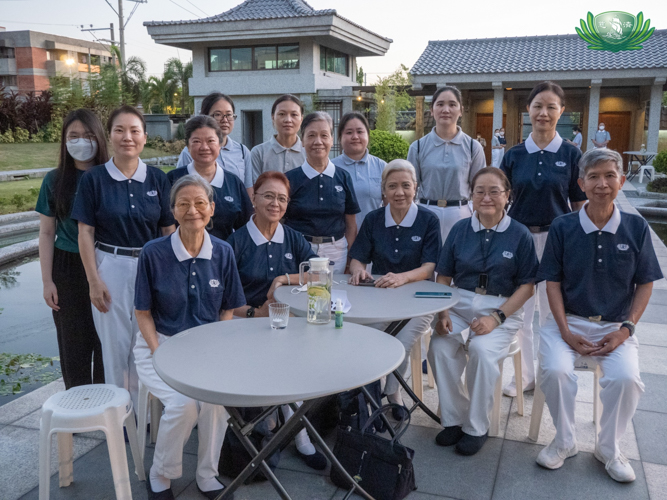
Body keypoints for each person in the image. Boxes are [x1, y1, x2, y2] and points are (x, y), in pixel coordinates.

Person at [535, 148, 662, 482]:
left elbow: (645, 283)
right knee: (555, 370)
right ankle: (564, 441)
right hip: (569, 320)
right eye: (593, 177)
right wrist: (565, 332)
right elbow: (552, 283)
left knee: (626, 379)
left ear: (621, 180)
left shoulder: (636, 226)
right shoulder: (563, 226)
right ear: (581, 183)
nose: (602, 184)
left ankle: (608, 448)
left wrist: (626, 329)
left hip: (616, 325)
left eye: (609, 176)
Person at [134, 175, 245, 499]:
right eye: (183, 203)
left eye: (200, 203)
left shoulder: (223, 252)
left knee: (215, 404)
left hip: (205, 346)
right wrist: (159, 353)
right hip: (159, 343)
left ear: (211, 208)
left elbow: (227, 309)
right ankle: (161, 473)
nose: (192, 210)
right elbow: (143, 314)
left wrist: (218, 347)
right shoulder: (153, 253)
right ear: (172, 210)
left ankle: (207, 474)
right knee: (184, 406)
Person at [427, 167, 539, 456]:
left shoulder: (520, 234)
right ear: (471, 196)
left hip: (502, 308)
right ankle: (453, 419)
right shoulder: (459, 229)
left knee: (481, 351)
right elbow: (443, 276)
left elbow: (528, 287)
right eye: (480, 191)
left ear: (507, 196)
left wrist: (495, 318)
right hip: (459, 304)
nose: (486, 197)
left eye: (494, 191)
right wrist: (442, 314)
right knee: (439, 348)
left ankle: (477, 426)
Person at [72, 105, 176, 410]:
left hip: (151, 265)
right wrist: (94, 280)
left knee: (146, 342)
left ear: (144, 137)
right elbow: (85, 233)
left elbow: (169, 229)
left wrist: (168, 275)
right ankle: (120, 413)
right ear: (110, 136)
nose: (127, 137)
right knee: (115, 347)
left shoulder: (157, 178)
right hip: (111, 266)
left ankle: (146, 412)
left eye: (134, 131)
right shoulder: (93, 179)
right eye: (119, 130)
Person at [227, 171, 328, 471]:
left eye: (282, 198)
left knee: (307, 358)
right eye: (268, 195)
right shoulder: (236, 242)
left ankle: (298, 436)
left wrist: (284, 278)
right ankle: (289, 434)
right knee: (284, 363)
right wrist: (254, 313)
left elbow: (318, 274)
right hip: (247, 325)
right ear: (254, 198)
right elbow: (226, 303)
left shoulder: (293, 237)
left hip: (286, 323)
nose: (275, 203)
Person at [500, 81, 587, 398]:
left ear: (561, 111)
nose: (544, 112)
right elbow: (500, 202)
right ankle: (524, 377)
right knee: (520, 313)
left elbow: (578, 206)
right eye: (538, 106)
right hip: (519, 241)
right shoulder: (514, 155)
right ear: (528, 110)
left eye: (551, 107)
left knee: (552, 314)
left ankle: (551, 373)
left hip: (556, 241)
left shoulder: (571, 153)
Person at [348, 159, 441, 414]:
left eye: (405, 186)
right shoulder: (374, 219)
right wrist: (358, 271)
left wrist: (402, 278)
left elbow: (429, 267)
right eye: (392, 186)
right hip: (380, 295)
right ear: (383, 190)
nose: (399, 192)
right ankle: (370, 387)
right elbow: (358, 258)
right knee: (366, 335)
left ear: (415, 188)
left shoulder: (429, 220)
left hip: (420, 298)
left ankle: (392, 390)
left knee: (401, 339)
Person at [36, 109, 107, 389]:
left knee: (105, 340)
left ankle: (106, 403)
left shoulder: (108, 177)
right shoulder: (54, 181)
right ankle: (77, 406)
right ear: (64, 141)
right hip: (67, 267)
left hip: (105, 264)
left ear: (99, 138)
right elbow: (46, 232)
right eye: (73, 136)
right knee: (73, 342)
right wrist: (46, 280)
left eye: (88, 136)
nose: (81, 142)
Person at [284, 112, 360, 273]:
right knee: (299, 295)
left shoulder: (343, 177)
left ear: (332, 140)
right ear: (302, 140)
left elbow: (351, 225)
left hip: (336, 252)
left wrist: (349, 261)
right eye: (311, 135)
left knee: (334, 295)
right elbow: (280, 221)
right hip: (299, 248)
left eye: (324, 135)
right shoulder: (290, 179)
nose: (318, 142)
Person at [407, 85, 486, 242]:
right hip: (426, 212)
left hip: (460, 213)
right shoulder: (417, 147)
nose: (446, 109)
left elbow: (480, 190)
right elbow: (410, 188)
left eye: (452, 104)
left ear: (461, 110)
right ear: (432, 110)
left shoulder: (472, 147)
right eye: (440, 104)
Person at [169, 115, 252, 240]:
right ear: (187, 145)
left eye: (210, 141)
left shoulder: (233, 182)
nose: (204, 147)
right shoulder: (173, 180)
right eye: (196, 141)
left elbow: (245, 227)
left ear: (219, 144)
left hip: (224, 255)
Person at [176, 93, 251, 190]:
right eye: (218, 115)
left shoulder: (242, 151)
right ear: (204, 116)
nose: (225, 120)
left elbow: (248, 189)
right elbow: (180, 188)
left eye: (229, 115)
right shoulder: (190, 152)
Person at [332, 112, 386, 229]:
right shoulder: (330, 168)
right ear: (340, 137)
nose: (355, 137)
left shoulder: (382, 167)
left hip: (374, 236)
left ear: (368, 135)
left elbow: (390, 206)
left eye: (360, 132)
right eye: (349, 132)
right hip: (340, 240)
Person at [250, 94, 305, 188]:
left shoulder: (308, 152)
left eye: (294, 115)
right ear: (273, 117)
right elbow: (255, 189)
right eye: (282, 114)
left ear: (301, 119)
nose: (288, 120)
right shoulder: (259, 152)